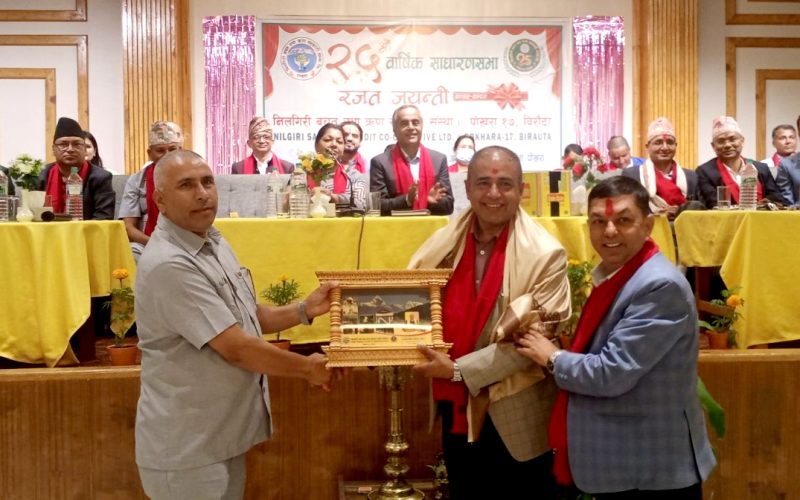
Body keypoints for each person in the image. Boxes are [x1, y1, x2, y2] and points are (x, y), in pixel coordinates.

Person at [135, 150, 339, 499]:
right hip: (188, 450)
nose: (203, 194)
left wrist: (305, 309)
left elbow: (246, 316)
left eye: (207, 182)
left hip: (220, 438)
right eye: (186, 185)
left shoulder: (212, 241)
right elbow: (236, 347)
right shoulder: (170, 263)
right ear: (160, 200)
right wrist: (308, 369)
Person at [516, 176, 716, 498]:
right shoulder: (622, 276)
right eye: (599, 221)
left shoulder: (659, 286)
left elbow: (611, 373)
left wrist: (551, 357)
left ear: (648, 225)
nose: (609, 231)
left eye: (623, 220)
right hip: (627, 460)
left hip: (650, 469)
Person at [409, 146, 570, 499]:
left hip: (516, 412)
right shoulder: (444, 244)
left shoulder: (546, 254)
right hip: (456, 405)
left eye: (505, 184)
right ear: (467, 188)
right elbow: (413, 300)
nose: (493, 193)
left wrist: (457, 371)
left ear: (521, 190)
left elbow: (533, 341)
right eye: (483, 183)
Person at [370, 105, 453, 215]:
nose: (411, 127)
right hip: (396, 225)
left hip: (430, 225)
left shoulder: (438, 160)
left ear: (422, 126)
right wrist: (407, 200)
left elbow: (449, 206)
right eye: (404, 123)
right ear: (394, 130)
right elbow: (376, 206)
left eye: (415, 123)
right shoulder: (380, 162)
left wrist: (430, 202)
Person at [118, 121, 183, 262]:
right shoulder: (136, 181)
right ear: (150, 153)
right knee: (131, 253)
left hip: (186, 242)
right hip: (147, 243)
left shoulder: (193, 177)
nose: (167, 155)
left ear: (181, 150)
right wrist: (154, 243)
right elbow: (128, 227)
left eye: (172, 149)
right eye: (160, 150)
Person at [696, 116, 784, 208]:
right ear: (713, 146)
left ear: (742, 141)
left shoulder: (761, 168)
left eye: (732, 139)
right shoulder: (705, 172)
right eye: (721, 141)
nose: (727, 145)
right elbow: (712, 203)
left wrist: (764, 204)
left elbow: (777, 198)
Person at [38, 117, 114, 220]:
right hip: (47, 229)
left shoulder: (101, 177)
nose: (70, 149)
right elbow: (32, 215)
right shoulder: (41, 175)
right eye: (63, 144)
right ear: (53, 149)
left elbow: (104, 218)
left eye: (77, 144)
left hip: (85, 230)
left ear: (84, 149)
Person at [622, 117, 698, 218]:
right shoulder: (632, 175)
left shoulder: (691, 177)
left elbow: (701, 210)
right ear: (647, 146)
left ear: (676, 145)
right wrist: (656, 215)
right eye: (658, 142)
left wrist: (680, 212)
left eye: (670, 142)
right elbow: (626, 209)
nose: (665, 147)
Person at [308, 123, 367, 210]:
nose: (334, 144)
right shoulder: (302, 174)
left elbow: (361, 205)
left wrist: (333, 197)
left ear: (343, 148)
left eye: (339, 142)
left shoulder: (353, 176)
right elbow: (291, 202)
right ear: (316, 145)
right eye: (328, 140)